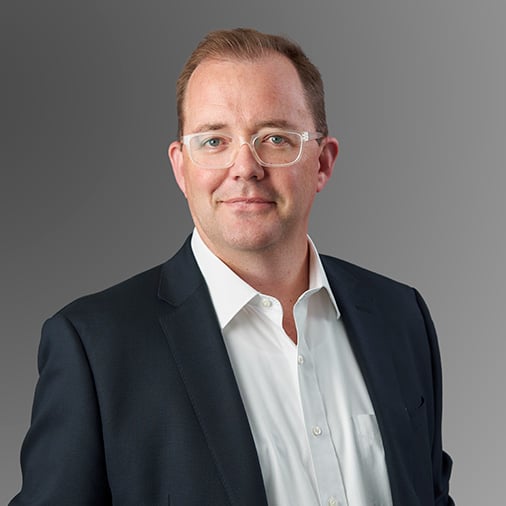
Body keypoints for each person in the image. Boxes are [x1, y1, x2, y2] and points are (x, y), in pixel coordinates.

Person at [10, 28, 454, 506]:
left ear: (323, 163)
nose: (245, 167)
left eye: (276, 138)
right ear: (181, 168)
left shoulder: (399, 317)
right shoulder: (96, 349)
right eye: (214, 140)